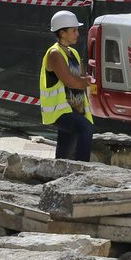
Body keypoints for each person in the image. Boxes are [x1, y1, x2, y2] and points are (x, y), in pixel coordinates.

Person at [40, 9, 94, 161]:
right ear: (62, 33)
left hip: (74, 108)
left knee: (64, 152)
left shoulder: (73, 53)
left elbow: (81, 77)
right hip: (61, 111)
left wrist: (87, 80)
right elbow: (70, 81)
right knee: (86, 128)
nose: (78, 34)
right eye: (74, 30)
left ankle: (59, 170)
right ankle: (83, 168)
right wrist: (88, 81)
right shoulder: (54, 54)